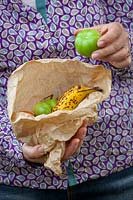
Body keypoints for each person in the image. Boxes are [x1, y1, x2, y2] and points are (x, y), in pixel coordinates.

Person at [0, 0, 132, 199]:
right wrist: (15, 145)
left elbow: (127, 20)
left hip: (114, 163)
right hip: (22, 184)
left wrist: (125, 48)